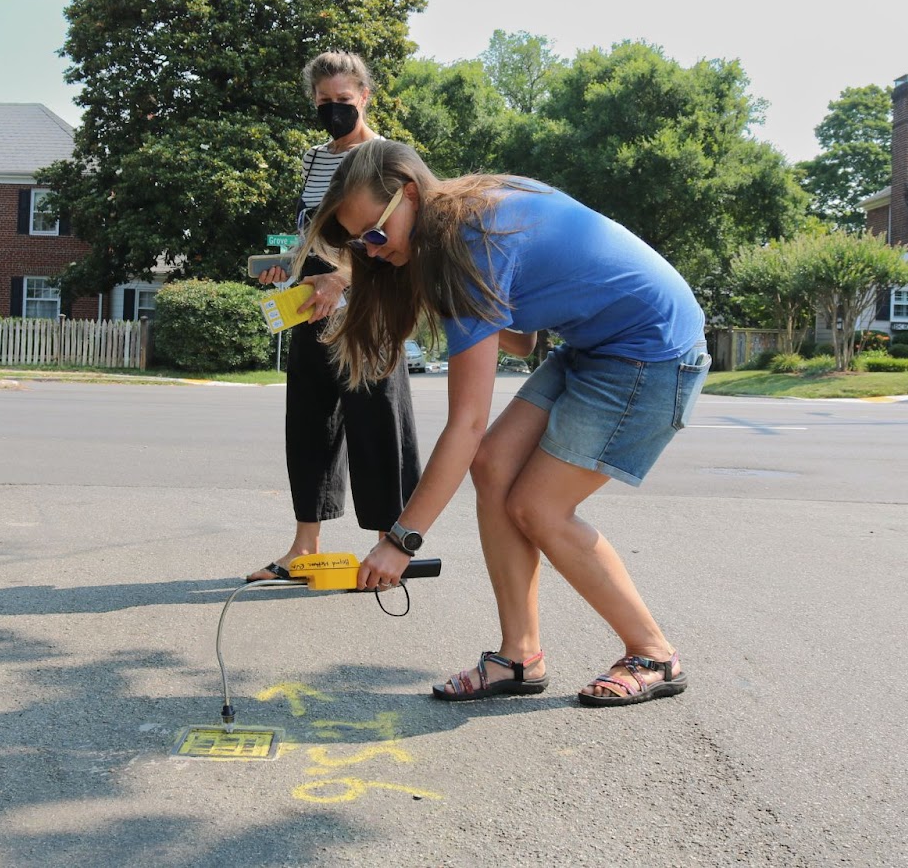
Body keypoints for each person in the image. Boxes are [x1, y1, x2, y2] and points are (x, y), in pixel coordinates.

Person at [301, 138, 710, 707]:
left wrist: (401, 541)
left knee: (538, 507)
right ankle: (519, 656)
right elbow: (525, 339)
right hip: (597, 345)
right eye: (357, 244)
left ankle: (653, 654)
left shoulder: (469, 245)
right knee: (494, 467)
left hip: (653, 352)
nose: (369, 252)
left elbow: (465, 425)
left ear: (410, 195)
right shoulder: (462, 219)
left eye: (374, 234)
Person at [246, 53, 422, 582]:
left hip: (369, 303)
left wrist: (342, 278)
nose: (333, 111)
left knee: (377, 426)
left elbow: (401, 235)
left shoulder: (388, 157)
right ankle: (304, 547)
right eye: (324, 103)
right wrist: (287, 268)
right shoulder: (312, 159)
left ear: (365, 97)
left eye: (343, 102)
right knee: (309, 424)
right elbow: (312, 232)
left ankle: (388, 550)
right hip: (310, 307)